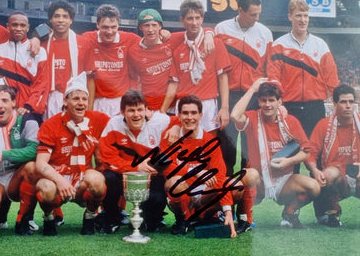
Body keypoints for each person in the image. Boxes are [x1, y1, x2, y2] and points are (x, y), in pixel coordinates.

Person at [230, 79, 320, 232]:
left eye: (272, 100)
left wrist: (289, 161)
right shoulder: (252, 118)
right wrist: (252, 89)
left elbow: (306, 151)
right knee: (248, 175)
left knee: (314, 187)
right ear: (258, 101)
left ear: (280, 102)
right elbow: (234, 115)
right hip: (259, 178)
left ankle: (290, 213)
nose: (267, 104)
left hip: (283, 180)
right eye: (264, 100)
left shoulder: (290, 121)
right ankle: (244, 218)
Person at [34, 72, 109, 235]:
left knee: (97, 181)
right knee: (46, 188)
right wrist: (60, 181)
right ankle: (49, 217)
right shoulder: (50, 124)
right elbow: (40, 163)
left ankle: (90, 217)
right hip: (57, 175)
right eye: (75, 99)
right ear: (65, 101)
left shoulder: (97, 119)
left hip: (82, 174)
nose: (81, 103)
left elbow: (122, 121)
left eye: (84, 99)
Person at [160, 95, 242, 237]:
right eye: (185, 113)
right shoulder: (170, 137)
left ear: (201, 115)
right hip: (182, 190)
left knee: (236, 186)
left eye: (193, 113)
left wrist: (228, 210)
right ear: (178, 116)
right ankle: (183, 219)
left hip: (203, 192)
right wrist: (195, 171)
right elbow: (167, 169)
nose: (189, 117)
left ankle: (207, 216)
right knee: (174, 182)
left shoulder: (209, 141)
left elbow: (220, 175)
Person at [214, 0, 274, 175]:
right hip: (227, 97)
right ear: (240, 10)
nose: (257, 18)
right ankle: (226, 197)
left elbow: (269, 70)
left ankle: (248, 199)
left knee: (250, 151)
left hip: (252, 98)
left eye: (259, 14)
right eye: (253, 14)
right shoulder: (221, 29)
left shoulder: (265, 33)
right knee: (227, 148)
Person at [99, 89, 171, 233]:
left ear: (146, 109)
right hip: (124, 176)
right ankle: (112, 216)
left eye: (140, 109)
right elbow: (108, 158)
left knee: (153, 219)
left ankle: (151, 217)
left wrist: (175, 127)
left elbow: (182, 122)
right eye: (131, 110)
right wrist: (135, 167)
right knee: (108, 177)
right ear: (122, 112)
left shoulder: (160, 121)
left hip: (151, 177)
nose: (136, 114)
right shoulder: (113, 124)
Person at [267, 0, 339, 137]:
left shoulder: (320, 45)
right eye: (298, 15)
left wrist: (337, 102)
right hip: (288, 107)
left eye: (306, 16)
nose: (303, 20)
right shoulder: (278, 45)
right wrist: (278, 104)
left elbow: (332, 78)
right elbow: (273, 78)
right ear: (290, 17)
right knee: (288, 154)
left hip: (315, 108)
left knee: (315, 154)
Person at [162, 0, 231, 136]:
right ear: (182, 20)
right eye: (189, 18)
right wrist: (163, 110)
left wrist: (224, 108)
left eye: (197, 18)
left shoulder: (215, 44)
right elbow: (174, 84)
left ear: (202, 19)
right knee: (183, 146)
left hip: (207, 104)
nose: (194, 22)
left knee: (208, 147)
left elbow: (223, 78)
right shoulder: (179, 50)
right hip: (184, 106)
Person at [0, 85, 40, 235]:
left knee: (32, 167)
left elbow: (34, 150)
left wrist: (3, 154)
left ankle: (23, 219)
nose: (0, 105)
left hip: (17, 175)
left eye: (5, 101)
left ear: (14, 103)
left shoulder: (27, 120)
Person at [306, 84, 360, 227]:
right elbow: (311, 153)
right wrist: (315, 171)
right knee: (327, 174)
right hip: (337, 178)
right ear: (335, 104)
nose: (348, 106)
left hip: (358, 174)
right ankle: (332, 210)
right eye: (343, 102)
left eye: (351, 102)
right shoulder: (324, 125)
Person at [80, 4, 141, 116]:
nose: (109, 31)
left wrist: (162, 33)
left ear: (118, 25)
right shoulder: (87, 38)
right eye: (105, 27)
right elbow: (63, 37)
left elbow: (151, 43)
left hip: (121, 100)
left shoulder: (130, 39)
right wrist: (37, 37)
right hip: (97, 100)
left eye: (113, 27)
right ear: (97, 24)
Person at [0, 11, 49, 121]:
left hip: (29, 111)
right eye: (14, 25)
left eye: (22, 25)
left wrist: (28, 106)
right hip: (4, 111)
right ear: (7, 26)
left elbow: (41, 84)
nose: (18, 28)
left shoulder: (39, 51)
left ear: (28, 28)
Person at [127, 9, 178, 112]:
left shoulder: (171, 40)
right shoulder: (133, 51)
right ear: (141, 27)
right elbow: (134, 80)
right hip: (150, 107)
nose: (150, 29)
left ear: (160, 26)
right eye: (146, 25)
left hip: (173, 106)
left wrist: (209, 33)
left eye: (154, 25)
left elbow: (196, 31)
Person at [42, 0, 83, 119]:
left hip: (73, 95)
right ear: (50, 19)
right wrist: (35, 37)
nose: (60, 20)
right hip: (49, 96)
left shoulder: (82, 42)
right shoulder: (42, 43)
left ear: (71, 20)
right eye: (56, 16)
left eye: (65, 16)